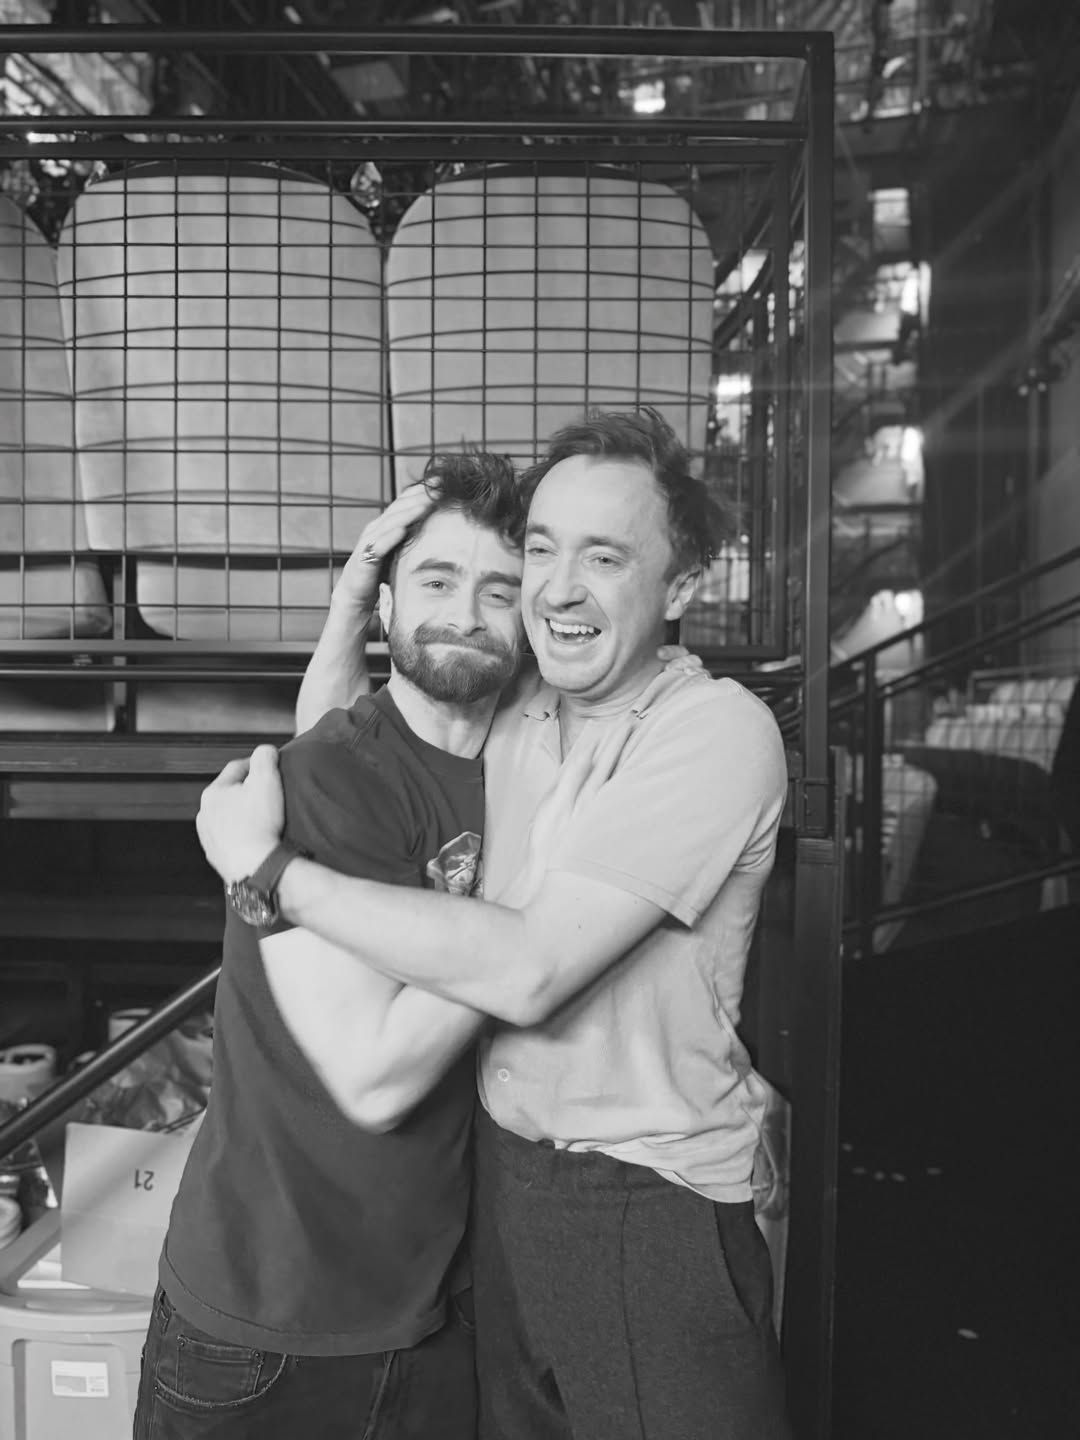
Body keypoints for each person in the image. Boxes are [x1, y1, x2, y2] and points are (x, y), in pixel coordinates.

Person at [197, 408, 792, 1440]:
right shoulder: (523, 702)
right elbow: (342, 740)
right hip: (504, 1185)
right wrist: (355, 598)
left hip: (647, 1195)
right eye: (542, 552)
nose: (558, 588)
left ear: (681, 588)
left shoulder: (714, 732)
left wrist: (270, 873)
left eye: (604, 557)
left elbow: (529, 973)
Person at [134, 452, 531, 1440]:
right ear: (387, 608)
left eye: (501, 590)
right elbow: (377, 1081)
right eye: (436, 581)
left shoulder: (517, 771)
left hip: (433, 1313)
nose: (466, 613)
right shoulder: (321, 775)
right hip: (263, 1328)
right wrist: (546, 909)